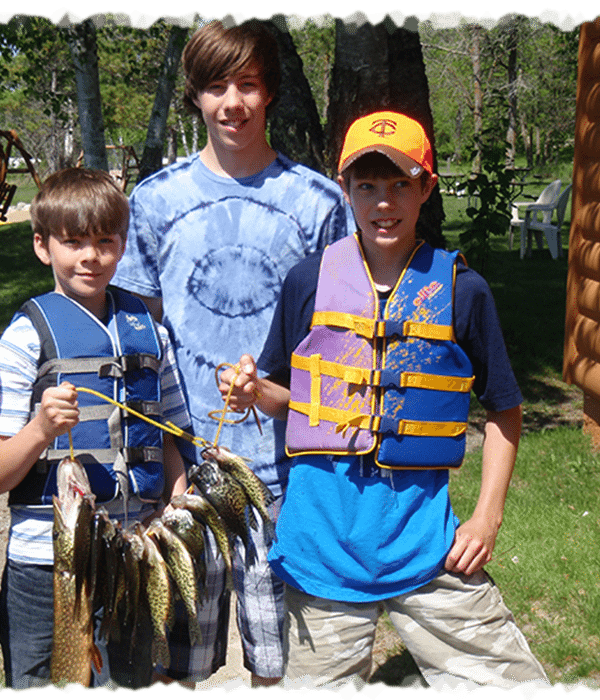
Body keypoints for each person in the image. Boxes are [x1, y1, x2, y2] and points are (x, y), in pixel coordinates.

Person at [219, 111, 551, 692]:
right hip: (322, 553)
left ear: (427, 187)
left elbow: (504, 409)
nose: (383, 202)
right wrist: (252, 391)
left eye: (400, 184)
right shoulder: (307, 280)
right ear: (345, 188)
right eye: (366, 186)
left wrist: (487, 516)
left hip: (428, 551)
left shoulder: (461, 291)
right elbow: (286, 396)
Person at [112, 17, 354, 689]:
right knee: (178, 659)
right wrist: (163, 462)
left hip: (288, 470)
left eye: (248, 85)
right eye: (217, 86)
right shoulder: (155, 201)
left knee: (285, 662)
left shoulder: (320, 203)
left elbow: (342, 338)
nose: (233, 103)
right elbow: (139, 346)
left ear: (270, 93)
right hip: (190, 472)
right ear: (195, 96)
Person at [0, 167, 194, 690]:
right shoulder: (23, 339)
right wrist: (38, 431)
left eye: (104, 241)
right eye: (73, 242)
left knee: (131, 682)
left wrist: (177, 499)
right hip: (45, 565)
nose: (90, 256)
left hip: (134, 550)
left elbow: (169, 434)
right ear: (42, 246)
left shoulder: (151, 331)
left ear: (122, 245)